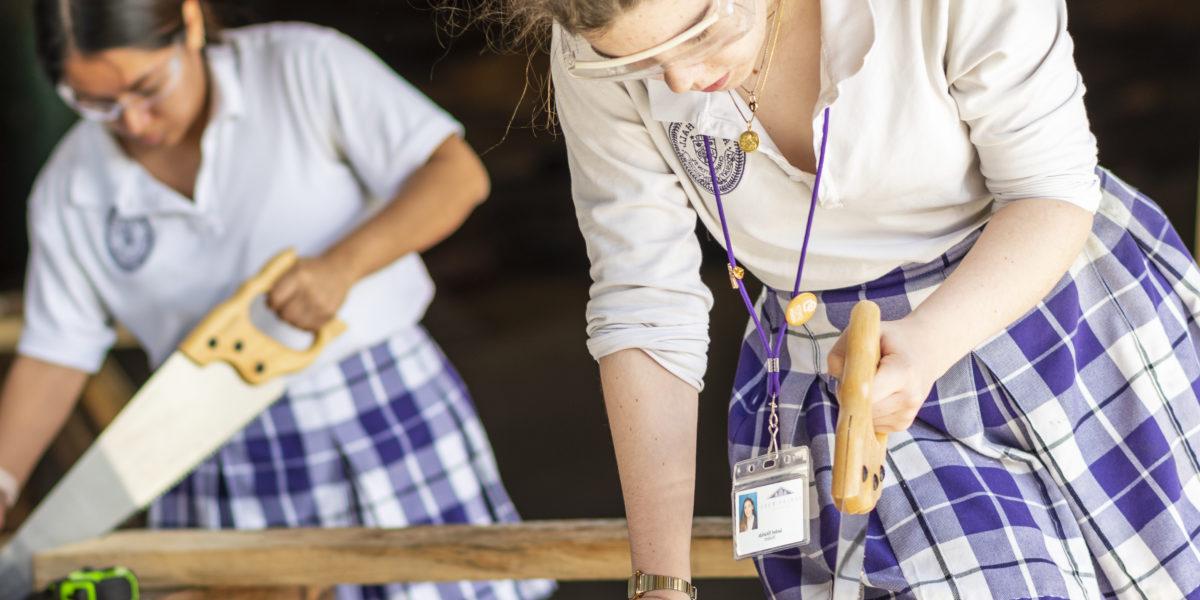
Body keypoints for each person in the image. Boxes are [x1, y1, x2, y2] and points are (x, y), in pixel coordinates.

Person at [468, 0, 1200, 598]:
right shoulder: (596, 45)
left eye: (699, 31)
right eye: (641, 62)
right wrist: (661, 579)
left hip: (1050, 303)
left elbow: (1051, 188)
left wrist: (929, 342)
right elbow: (644, 296)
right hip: (836, 373)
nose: (682, 80)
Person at [0, 1, 556, 598]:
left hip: (380, 409)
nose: (132, 121)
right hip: (205, 445)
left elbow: (455, 175)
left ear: (189, 23)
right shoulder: (68, 188)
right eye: (95, 102)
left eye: (146, 87)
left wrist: (342, 267)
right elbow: (58, 348)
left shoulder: (302, 65)